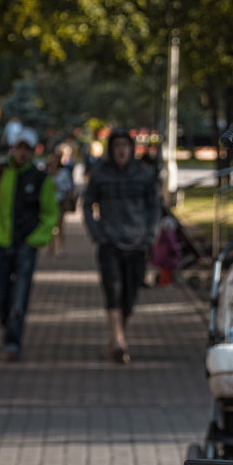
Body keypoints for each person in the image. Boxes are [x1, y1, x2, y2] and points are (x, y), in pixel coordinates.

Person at [0, 126, 58, 361]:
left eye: (28, 149)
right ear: (13, 148)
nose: (23, 153)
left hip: (24, 247)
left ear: (34, 151)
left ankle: (13, 341)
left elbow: (50, 213)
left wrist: (34, 240)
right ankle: (8, 327)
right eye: (19, 148)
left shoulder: (40, 179)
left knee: (19, 297)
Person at [83, 127, 158, 363]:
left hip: (137, 244)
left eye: (125, 146)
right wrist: (98, 234)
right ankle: (118, 341)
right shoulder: (100, 174)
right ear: (111, 149)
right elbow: (86, 205)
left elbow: (155, 207)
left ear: (132, 148)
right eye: (117, 146)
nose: (121, 150)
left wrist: (149, 236)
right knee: (112, 291)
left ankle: (118, 335)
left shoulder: (144, 175)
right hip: (110, 243)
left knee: (130, 295)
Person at [46, 152, 75, 256]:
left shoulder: (64, 173)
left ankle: (60, 247)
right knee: (50, 225)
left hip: (60, 201)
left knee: (59, 225)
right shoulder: (47, 173)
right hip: (49, 202)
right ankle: (50, 246)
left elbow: (69, 187)